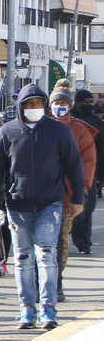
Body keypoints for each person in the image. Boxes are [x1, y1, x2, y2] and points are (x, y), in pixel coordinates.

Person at [0, 85, 85, 331]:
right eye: (29, 105)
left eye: (38, 104)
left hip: (49, 203)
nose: (33, 109)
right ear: (20, 107)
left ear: (44, 105)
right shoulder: (6, 133)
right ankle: (26, 310)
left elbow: (74, 166)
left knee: (46, 254)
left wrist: (78, 199)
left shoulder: (59, 131)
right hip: (17, 204)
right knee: (22, 258)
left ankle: (48, 309)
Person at [49, 88, 97, 302]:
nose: (59, 105)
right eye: (56, 101)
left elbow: (88, 163)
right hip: (37, 194)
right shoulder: (40, 126)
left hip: (66, 196)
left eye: (63, 102)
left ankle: (56, 282)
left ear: (70, 105)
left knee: (60, 241)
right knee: (37, 243)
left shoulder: (80, 130)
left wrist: (82, 190)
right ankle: (38, 282)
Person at [70, 88, 104, 254]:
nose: (88, 105)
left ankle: (83, 243)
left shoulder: (97, 123)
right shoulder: (66, 119)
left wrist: (101, 175)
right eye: (85, 102)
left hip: (89, 172)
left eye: (91, 102)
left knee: (86, 209)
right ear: (76, 102)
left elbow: (103, 150)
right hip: (64, 173)